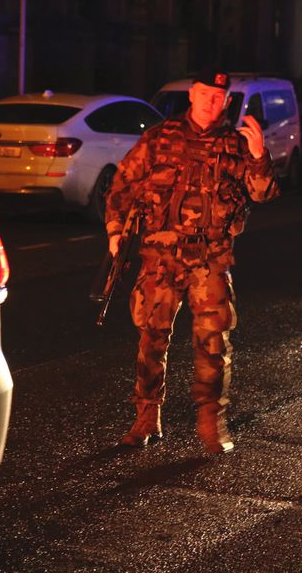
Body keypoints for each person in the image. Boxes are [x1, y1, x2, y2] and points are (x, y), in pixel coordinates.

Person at [105, 66, 279, 454]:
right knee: (151, 338)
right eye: (204, 94)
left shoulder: (235, 144)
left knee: (213, 343)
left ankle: (211, 423)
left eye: (218, 97)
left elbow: (264, 193)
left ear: (226, 101)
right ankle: (146, 417)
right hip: (161, 257)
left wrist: (258, 154)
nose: (210, 102)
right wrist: (116, 232)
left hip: (211, 258)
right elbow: (123, 184)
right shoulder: (159, 138)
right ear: (192, 95)